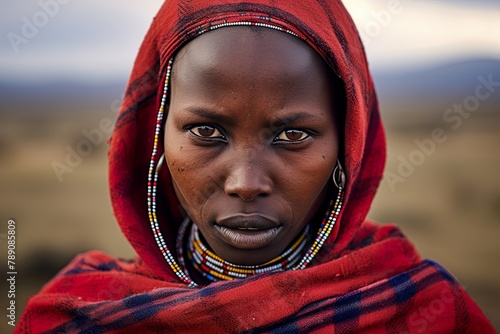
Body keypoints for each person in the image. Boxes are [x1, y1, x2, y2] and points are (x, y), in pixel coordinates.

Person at [16, 0, 495, 332]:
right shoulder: (78, 315)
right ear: (156, 134)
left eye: (293, 135)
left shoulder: (420, 309)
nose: (246, 183)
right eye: (206, 132)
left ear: (350, 144)